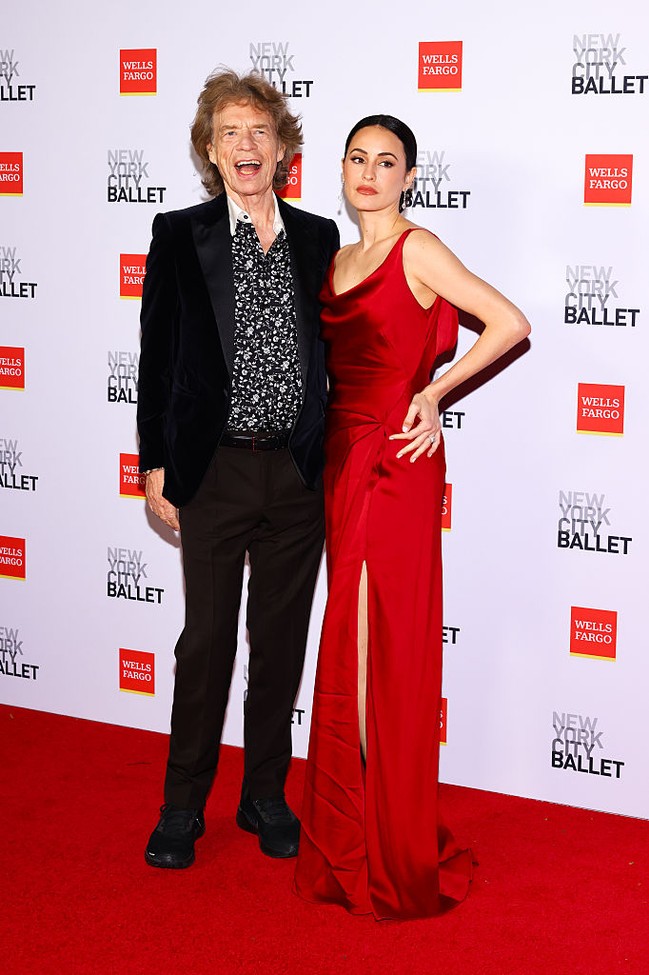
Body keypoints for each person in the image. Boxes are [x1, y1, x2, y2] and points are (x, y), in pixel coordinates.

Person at [293, 115, 531, 920]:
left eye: (386, 161)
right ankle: (364, 815)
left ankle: (380, 835)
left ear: (409, 177)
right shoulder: (337, 257)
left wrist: (433, 393)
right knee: (356, 639)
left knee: (374, 638)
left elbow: (510, 322)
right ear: (343, 168)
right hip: (341, 455)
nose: (369, 172)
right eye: (357, 158)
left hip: (394, 462)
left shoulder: (415, 249)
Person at [137, 68, 339, 870]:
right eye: (230, 132)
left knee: (281, 642)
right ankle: (183, 804)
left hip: (295, 473)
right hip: (214, 470)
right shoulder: (178, 235)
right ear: (210, 152)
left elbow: (345, 351)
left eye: (259, 130)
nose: (246, 145)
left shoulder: (320, 236)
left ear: (283, 148)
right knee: (207, 642)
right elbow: (157, 360)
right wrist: (154, 461)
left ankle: (263, 795)